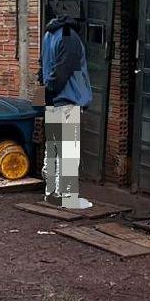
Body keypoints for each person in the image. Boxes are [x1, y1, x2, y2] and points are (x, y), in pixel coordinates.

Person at [40, 13, 92, 207]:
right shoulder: (69, 37)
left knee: (53, 148)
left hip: (53, 99)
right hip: (68, 98)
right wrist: (53, 90)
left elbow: (42, 68)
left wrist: (43, 98)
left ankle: (51, 193)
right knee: (68, 150)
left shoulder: (48, 35)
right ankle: (67, 197)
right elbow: (64, 70)